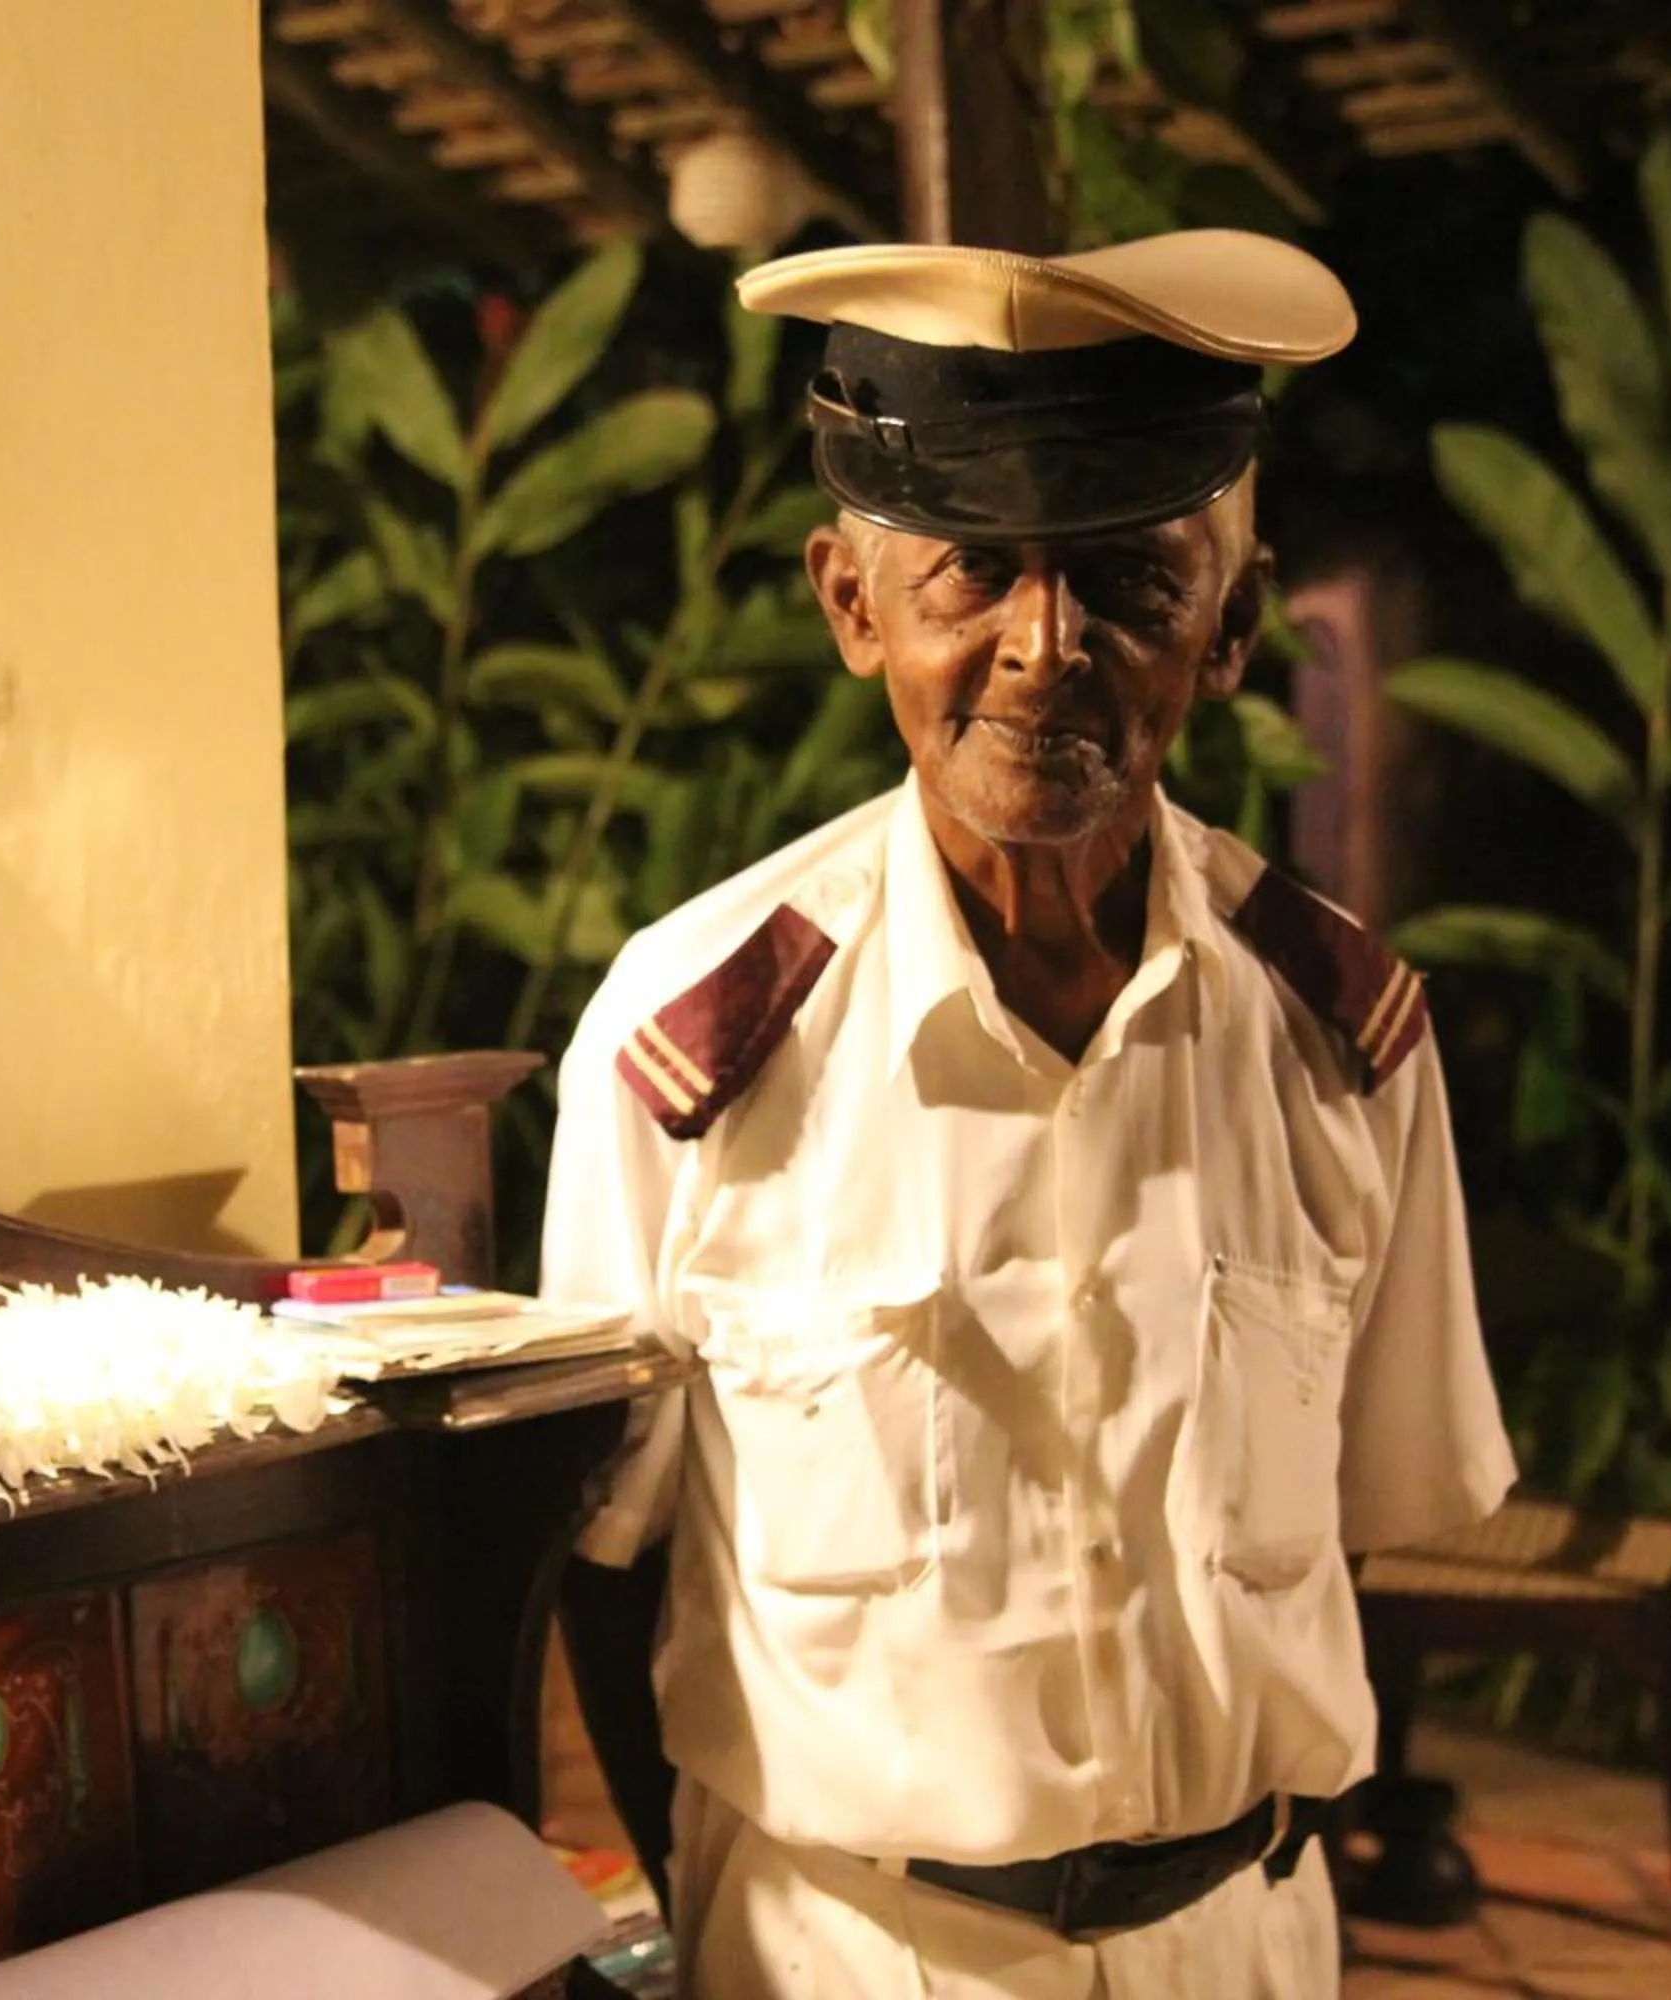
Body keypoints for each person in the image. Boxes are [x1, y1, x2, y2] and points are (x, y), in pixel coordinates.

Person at [541, 231, 1515, 1997]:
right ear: (852, 606)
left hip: (1242, 1950)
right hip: (847, 1956)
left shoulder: (1344, 1041)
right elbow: (605, 1563)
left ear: (1230, 626)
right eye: (973, 572)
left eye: (1134, 581)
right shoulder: (691, 1054)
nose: (1046, 649)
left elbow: (1369, 1532)